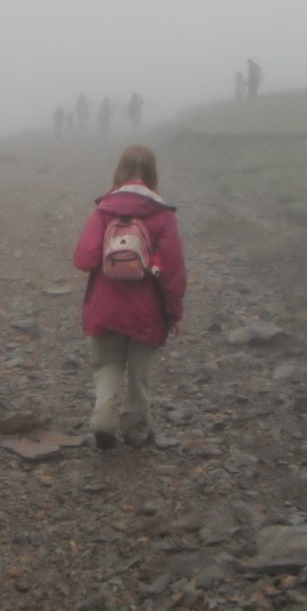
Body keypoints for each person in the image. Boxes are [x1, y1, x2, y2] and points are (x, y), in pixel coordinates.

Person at [71, 145, 186, 448]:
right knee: (139, 374)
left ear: (120, 169)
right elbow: (173, 271)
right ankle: (136, 432)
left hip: (104, 307)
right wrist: (174, 313)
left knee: (106, 365)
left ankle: (103, 422)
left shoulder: (103, 209)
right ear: (152, 173)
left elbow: (83, 259)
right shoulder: (163, 215)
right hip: (147, 312)